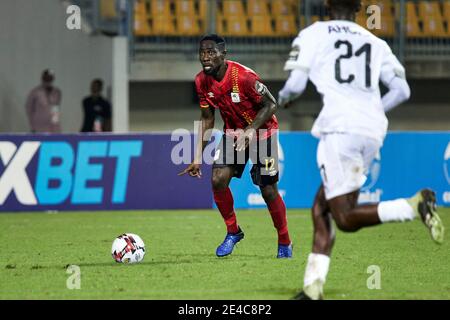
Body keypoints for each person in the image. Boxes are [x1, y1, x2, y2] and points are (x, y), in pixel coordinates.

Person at [278, 0, 444, 299]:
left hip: (341, 130)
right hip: (372, 130)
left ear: (327, 6)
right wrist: (371, 110)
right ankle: (313, 288)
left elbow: (295, 84)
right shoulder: (374, 41)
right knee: (321, 207)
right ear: (356, 9)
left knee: (344, 218)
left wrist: (284, 98)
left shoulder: (314, 33)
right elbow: (403, 90)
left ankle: (411, 206)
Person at [179, 34, 293, 258]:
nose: (205, 57)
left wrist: (251, 129)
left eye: (211, 52)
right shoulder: (201, 81)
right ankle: (233, 231)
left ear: (223, 54)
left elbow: (271, 104)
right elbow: (207, 119)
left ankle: (284, 241)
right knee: (217, 179)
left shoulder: (244, 77)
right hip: (233, 134)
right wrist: (197, 156)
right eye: (202, 52)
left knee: (268, 190)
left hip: (263, 134)